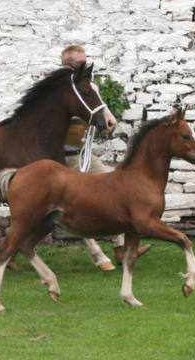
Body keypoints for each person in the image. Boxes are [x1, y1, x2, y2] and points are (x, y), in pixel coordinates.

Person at [61, 46, 151, 267]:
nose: (86, 66)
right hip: (63, 156)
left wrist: (101, 120)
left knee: (114, 190)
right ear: (67, 66)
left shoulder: (86, 87)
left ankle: (121, 248)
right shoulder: (59, 90)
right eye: (80, 63)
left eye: (86, 62)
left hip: (84, 154)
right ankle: (96, 253)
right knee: (77, 204)